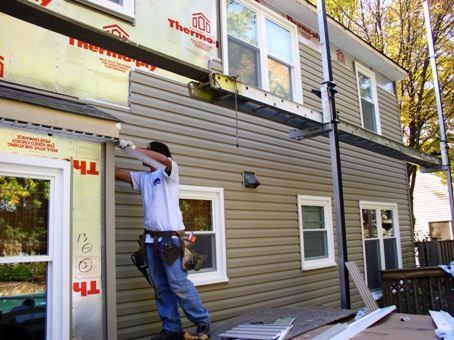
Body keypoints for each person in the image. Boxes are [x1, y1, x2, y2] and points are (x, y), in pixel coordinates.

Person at [115, 140, 210, 340]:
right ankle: (172, 329)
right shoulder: (144, 179)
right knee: (160, 287)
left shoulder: (169, 174)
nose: (145, 154)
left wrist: (132, 150)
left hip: (170, 241)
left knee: (178, 284)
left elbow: (164, 160)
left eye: (148, 151)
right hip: (151, 242)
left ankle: (202, 322)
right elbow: (117, 173)